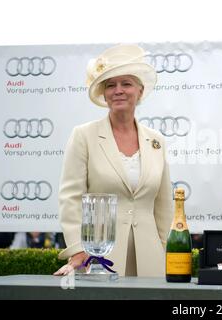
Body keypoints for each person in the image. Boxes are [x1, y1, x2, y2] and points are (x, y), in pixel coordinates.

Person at [54, 44, 173, 277]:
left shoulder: (156, 141)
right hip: (99, 258)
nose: (118, 90)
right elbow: (71, 198)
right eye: (111, 85)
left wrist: (164, 249)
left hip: (152, 260)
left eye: (126, 83)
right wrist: (78, 250)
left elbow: (164, 204)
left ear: (140, 91)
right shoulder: (83, 135)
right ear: (104, 94)